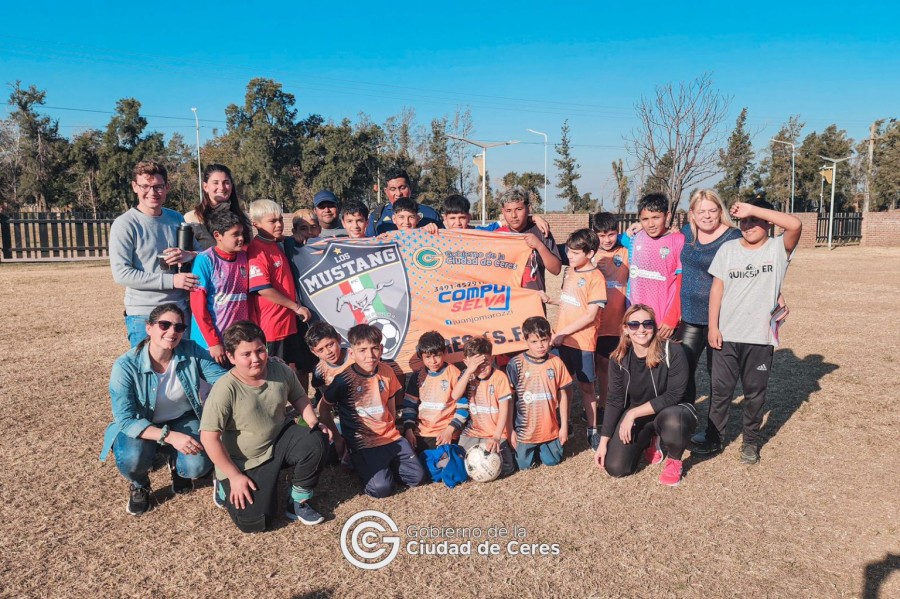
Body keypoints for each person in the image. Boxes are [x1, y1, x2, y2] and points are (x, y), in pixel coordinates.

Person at [691, 199, 802, 464]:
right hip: (727, 335)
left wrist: (752, 209)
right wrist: (713, 326)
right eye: (744, 221)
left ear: (768, 223)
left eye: (754, 221)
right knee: (721, 391)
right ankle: (714, 437)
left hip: (759, 338)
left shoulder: (777, 249)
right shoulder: (728, 249)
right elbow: (717, 289)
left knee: (754, 393)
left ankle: (750, 441)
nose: (748, 225)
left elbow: (795, 224)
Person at [200, 321, 331, 532]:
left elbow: (298, 397)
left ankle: (298, 499)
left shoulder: (279, 369)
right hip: (244, 461)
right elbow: (209, 438)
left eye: (260, 351)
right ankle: (222, 485)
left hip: (279, 439)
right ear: (231, 357)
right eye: (246, 354)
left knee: (317, 438)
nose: (256, 359)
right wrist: (233, 476)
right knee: (255, 523)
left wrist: (314, 422)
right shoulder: (224, 389)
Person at [100, 303, 228, 516]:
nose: (172, 332)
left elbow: (223, 380)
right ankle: (140, 483)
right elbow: (126, 419)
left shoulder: (192, 350)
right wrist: (171, 437)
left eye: (178, 327)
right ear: (149, 328)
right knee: (132, 458)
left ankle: (177, 466)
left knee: (197, 466)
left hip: (182, 419)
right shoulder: (124, 366)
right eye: (164, 325)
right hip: (142, 424)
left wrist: (259, 367)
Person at [318, 324, 427, 498]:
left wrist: (395, 430)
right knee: (381, 489)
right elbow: (323, 407)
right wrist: (338, 440)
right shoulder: (343, 379)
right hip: (364, 442)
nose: (370, 356)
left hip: (390, 437)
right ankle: (357, 459)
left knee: (417, 477)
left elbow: (390, 402)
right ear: (352, 353)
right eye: (362, 350)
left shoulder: (387, 371)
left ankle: (384, 464)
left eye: (374, 348)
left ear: (381, 349)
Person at [594, 304, 697, 486]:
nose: (641, 329)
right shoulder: (618, 358)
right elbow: (615, 400)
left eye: (647, 324)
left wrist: (632, 414)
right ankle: (650, 438)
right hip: (641, 414)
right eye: (634, 324)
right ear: (625, 329)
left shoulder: (673, 351)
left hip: (671, 410)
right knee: (616, 468)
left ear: (654, 327)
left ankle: (674, 461)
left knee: (675, 419)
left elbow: (674, 394)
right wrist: (603, 442)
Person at [676, 190, 744, 436]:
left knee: (718, 378)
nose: (707, 216)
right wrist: (629, 234)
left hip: (722, 319)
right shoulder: (685, 234)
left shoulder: (733, 237)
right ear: (692, 214)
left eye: (712, 210)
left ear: (720, 211)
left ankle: (714, 431)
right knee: (682, 371)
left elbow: (752, 265)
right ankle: (685, 422)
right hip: (690, 317)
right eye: (701, 211)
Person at [109, 161, 199, 347]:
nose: (152, 192)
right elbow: (122, 274)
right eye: (145, 186)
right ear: (135, 186)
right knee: (149, 371)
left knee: (181, 370)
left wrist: (188, 254)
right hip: (144, 314)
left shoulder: (176, 218)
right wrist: (173, 281)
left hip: (179, 311)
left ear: (167, 188)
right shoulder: (125, 224)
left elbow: (201, 253)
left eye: (158, 187)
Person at [547, 228, 606, 449]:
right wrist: (551, 300)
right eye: (568, 252)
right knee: (563, 384)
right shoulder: (570, 271)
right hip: (560, 340)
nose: (569, 256)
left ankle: (592, 430)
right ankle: (565, 421)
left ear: (589, 253)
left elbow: (590, 315)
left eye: (574, 252)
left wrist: (563, 333)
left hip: (582, 343)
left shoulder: (596, 277)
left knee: (587, 387)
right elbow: (570, 301)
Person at [246, 199, 311, 369]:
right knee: (273, 374)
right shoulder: (257, 250)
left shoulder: (276, 243)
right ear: (256, 224)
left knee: (292, 370)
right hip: (272, 326)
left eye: (280, 219)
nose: (279, 224)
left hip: (287, 322)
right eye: (272, 221)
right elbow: (263, 289)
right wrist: (296, 307)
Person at [506, 317, 573, 470]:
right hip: (525, 431)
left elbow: (563, 395)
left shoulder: (556, 362)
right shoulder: (515, 364)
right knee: (524, 466)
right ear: (526, 340)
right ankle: (530, 449)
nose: (540, 346)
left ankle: (545, 446)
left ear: (550, 338)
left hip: (549, 429)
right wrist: (510, 430)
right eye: (534, 342)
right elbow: (509, 400)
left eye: (544, 340)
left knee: (553, 461)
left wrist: (564, 426)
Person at [189, 210, 249, 365]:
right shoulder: (205, 260)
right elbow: (198, 306)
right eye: (235, 234)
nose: (241, 238)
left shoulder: (244, 257)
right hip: (210, 346)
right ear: (217, 235)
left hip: (237, 342)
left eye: (242, 233)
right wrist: (213, 342)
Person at [621, 193, 685, 339]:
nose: (650, 224)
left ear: (667, 216)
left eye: (656, 217)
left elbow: (681, 283)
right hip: (635, 321)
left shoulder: (678, 241)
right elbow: (611, 239)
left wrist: (672, 317)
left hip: (663, 323)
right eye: (645, 219)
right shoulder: (635, 238)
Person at [452, 336, 515, 477]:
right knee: (460, 465)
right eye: (476, 364)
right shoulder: (466, 375)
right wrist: (469, 371)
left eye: (485, 363)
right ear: (466, 362)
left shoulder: (500, 377)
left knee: (505, 469)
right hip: (473, 432)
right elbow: (455, 395)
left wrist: (497, 436)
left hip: (496, 433)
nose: (481, 368)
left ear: (491, 359)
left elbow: (505, 409)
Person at [590, 212, 630, 426]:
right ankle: (597, 403)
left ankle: (607, 406)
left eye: (612, 234)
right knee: (596, 365)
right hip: (593, 323)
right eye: (602, 235)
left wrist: (625, 237)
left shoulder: (625, 252)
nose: (607, 240)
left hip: (616, 324)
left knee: (611, 366)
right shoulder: (590, 254)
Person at [401, 331, 465, 454]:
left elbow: (463, 406)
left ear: (445, 352)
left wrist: (450, 430)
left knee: (446, 465)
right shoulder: (417, 376)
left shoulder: (454, 373)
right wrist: (408, 430)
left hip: (446, 432)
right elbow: (410, 406)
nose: (433, 361)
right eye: (428, 357)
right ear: (421, 356)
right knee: (420, 468)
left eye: (437, 355)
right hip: (421, 433)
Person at [494, 186, 562, 292]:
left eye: (519, 209)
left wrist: (539, 246)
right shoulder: (497, 236)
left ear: (528, 208)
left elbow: (556, 270)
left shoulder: (541, 231)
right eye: (508, 210)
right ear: (503, 211)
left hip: (534, 300)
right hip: (506, 301)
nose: (513, 215)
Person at [184, 164, 252, 250]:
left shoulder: (243, 217)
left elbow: (250, 249)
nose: (221, 187)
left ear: (231, 185)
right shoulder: (192, 218)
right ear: (205, 186)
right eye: (215, 183)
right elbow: (186, 253)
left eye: (226, 182)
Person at [365, 167, 444, 236]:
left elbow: (445, 241)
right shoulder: (377, 216)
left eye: (402, 188)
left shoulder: (430, 214)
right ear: (386, 191)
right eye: (393, 189)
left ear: (410, 188)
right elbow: (368, 245)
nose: (398, 193)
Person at [305, 321, 350, 408]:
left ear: (339, 339)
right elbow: (324, 395)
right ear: (314, 352)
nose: (328, 352)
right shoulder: (319, 371)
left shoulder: (357, 357)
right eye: (320, 350)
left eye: (330, 345)